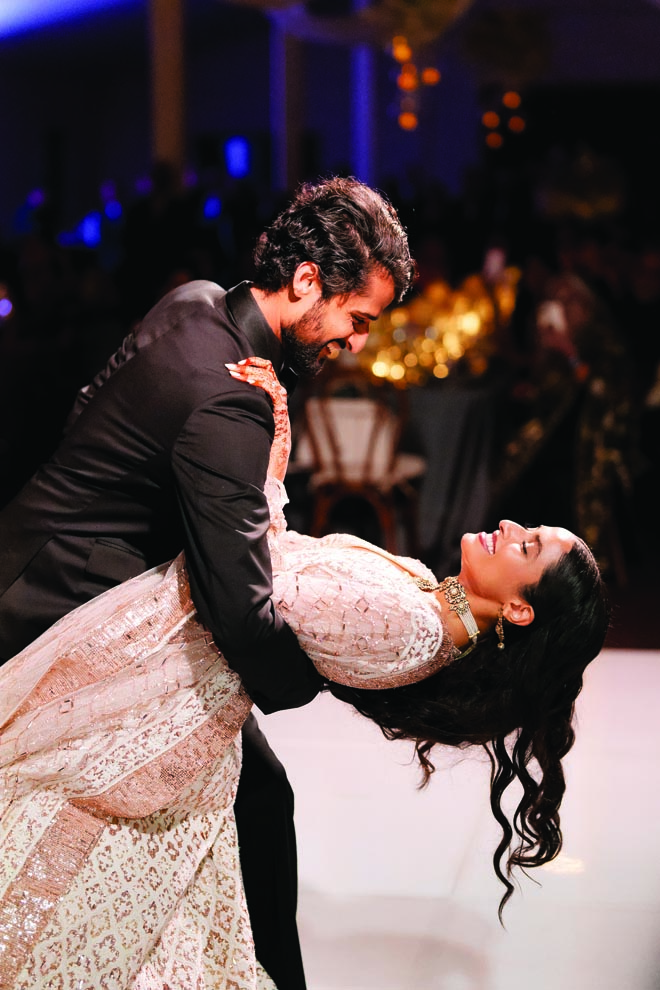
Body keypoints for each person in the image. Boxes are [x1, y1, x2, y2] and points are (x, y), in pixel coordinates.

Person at [0, 355, 608, 988]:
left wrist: (255, 443)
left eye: (527, 546)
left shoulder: (411, 623)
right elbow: (268, 564)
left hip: (164, 672)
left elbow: (254, 583)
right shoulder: (429, 601)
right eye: (528, 529)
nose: (510, 527)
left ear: (517, 607)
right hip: (184, 665)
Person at [0, 176, 415, 990]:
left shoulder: (193, 300)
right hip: (55, 608)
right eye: (356, 318)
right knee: (255, 802)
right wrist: (345, 677)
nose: (358, 342)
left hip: (35, 558)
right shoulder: (231, 400)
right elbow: (244, 614)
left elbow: (91, 411)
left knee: (241, 801)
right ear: (306, 282)